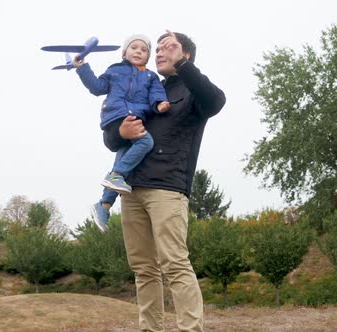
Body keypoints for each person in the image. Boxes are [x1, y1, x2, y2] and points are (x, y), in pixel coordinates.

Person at [103, 30, 226, 332]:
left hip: (167, 189)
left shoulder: (194, 91)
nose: (158, 52)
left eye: (168, 48)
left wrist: (183, 65)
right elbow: (111, 138)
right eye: (156, 49)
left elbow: (216, 100)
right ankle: (150, 328)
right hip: (130, 189)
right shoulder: (147, 87)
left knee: (175, 263)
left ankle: (190, 328)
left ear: (185, 55)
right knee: (143, 269)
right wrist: (121, 133)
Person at [72, 34, 170, 233]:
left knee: (124, 159)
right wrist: (82, 67)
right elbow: (97, 87)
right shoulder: (115, 70)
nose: (138, 52)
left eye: (144, 50)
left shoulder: (151, 77)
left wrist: (160, 103)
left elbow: (156, 93)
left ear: (148, 56)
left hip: (136, 118)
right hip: (116, 116)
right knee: (146, 143)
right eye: (134, 47)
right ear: (125, 52)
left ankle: (104, 205)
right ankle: (116, 175)